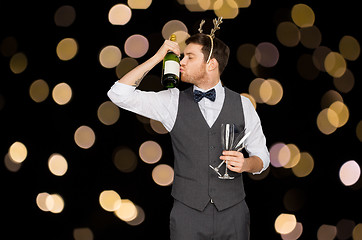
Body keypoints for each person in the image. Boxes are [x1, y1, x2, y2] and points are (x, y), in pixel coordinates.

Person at [108, 24, 270, 239]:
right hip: (187, 214)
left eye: (189, 57)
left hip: (234, 212)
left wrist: (246, 164)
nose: (181, 62)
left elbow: (263, 157)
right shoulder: (172, 101)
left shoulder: (243, 105)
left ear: (211, 64)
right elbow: (118, 94)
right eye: (182, 57)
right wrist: (157, 57)